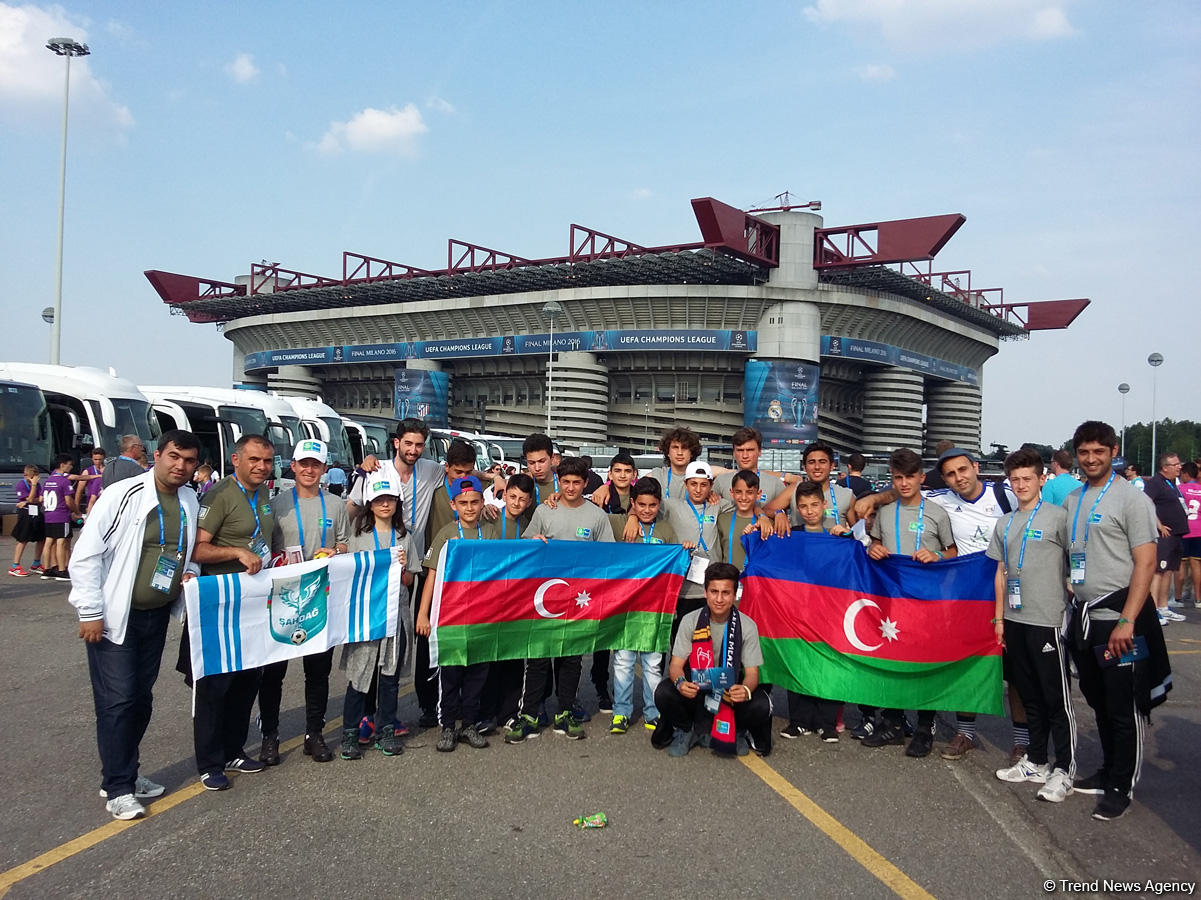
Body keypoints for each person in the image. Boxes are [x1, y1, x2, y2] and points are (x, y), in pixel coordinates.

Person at [68, 429, 202, 820]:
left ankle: (126, 770)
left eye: (189, 460)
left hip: (155, 615)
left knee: (140, 699)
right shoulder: (122, 494)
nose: (181, 466)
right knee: (119, 700)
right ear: (156, 455)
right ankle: (118, 786)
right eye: (174, 456)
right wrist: (90, 611)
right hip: (115, 618)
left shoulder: (190, 500)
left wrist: (190, 572)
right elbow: (86, 554)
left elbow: (187, 552)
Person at [1062, 420, 1164, 821]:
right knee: (1098, 700)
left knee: (1124, 706)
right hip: (1085, 619)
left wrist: (1127, 621)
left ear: (1113, 451)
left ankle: (1122, 783)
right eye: (1084, 453)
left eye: (1098, 452)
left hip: (1120, 620)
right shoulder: (1072, 498)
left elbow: (1146, 562)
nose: (1090, 459)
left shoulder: (1131, 500)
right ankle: (1107, 769)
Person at [186, 434, 276, 791]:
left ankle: (233, 749)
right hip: (221, 603)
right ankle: (209, 762)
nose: (261, 467)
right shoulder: (220, 494)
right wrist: (236, 552)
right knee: (214, 685)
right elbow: (197, 548)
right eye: (254, 460)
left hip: (253, 603)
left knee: (247, 678)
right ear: (236, 459)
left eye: (267, 461)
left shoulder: (265, 493)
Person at [987, 449, 1076, 803]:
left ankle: (1064, 767)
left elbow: (1077, 560)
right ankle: (1036, 759)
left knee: (1056, 698)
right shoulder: (1005, 523)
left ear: (1042, 479)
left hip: (1048, 619)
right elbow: (1001, 572)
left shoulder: (1059, 518)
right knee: (1029, 694)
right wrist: (999, 619)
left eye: (1027, 479)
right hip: (1015, 619)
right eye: (1015, 480)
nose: (1021, 485)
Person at [506, 457, 614, 743]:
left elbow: (608, 559)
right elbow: (528, 545)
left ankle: (565, 711)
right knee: (538, 659)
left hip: (579, 601)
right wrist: (535, 541)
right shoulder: (544, 510)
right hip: (544, 598)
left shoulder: (597, 517)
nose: (570, 487)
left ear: (585, 483)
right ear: (559, 482)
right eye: (565, 482)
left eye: (576, 482)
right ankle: (529, 714)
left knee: (571, 659)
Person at [925, 447, 1023, 762]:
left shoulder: (1006, 493)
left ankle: (1022, 740)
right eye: (951, 474)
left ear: (976, 467)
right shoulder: (940, 499)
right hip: (969, 599)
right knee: (968, 666)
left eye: (963, 470)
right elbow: (901, 493)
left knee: (1017, 673)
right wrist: (873, 499)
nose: (959, 478)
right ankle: (965, 732)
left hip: (1012, 596)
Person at [352, 418, 451, 728]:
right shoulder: (375, 470)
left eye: (419, 444)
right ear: (396, 443)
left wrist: (495, 479)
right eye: (407, 443)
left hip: (413, 566)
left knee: (411, 638)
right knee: (371, 643)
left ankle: (417, 707)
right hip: (375, 570)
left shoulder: (431, 470)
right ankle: (366, 715)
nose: (413, 449)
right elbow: (352, 511)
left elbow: (460, 471)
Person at [257, 440, 350, 766]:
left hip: (319, 597)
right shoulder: (276, 504)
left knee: (318, 672)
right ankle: (270, 736)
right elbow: (264, 549)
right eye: (303, 464)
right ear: (293, 466)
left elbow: (344, 543)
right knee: (273, 672)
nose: (309, 470)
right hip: (283, 597)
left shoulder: (336, 504)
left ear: (325, 468)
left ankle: (315, 733)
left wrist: (336, 551)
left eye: (316, 464)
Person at [864, 447, 957, 758]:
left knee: (924, 664)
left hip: (927, 602)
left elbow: (953, 553)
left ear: (921, 478)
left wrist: (937, 555)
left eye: (909, 477)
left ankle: (924, 728)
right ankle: (891, 723)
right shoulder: (886, 513)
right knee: (892, 661)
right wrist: (873, 549)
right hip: (892, 601)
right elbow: (876, 544)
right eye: (898, 478)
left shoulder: (936, 513)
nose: (904, 484)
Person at [651, 562, 773, 758]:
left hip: (729, 691)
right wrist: (681, 683)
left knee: (762, 704)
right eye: (714, 591)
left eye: (725, 593)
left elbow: (752, 674)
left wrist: (746, 690)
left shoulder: (747, 625)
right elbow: (675, 666)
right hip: (697, 688)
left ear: (734, 595)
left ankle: (738, 731)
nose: (719, 599)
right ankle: (686, 729)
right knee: (663, 692)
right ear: (705, 592)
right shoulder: (690, 620)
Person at [339, 475, 420, 759]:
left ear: (397, 503)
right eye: (378, 500)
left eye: (390, 499)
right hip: (365, 617)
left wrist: (404, 568)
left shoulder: (405, 537)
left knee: (389, 677)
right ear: (370, 504)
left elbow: (410, 580)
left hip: (394, 616)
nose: (385, 504)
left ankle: (386, 727)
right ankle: (350, 731)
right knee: (360, 676)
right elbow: (349, 575)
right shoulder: (358, 537)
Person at [417, 476, 494, 752]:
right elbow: (432, 576)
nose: (470, 508)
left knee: (477, 674)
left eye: (474, 502)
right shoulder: (446, 533)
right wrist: (423, 614)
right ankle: (448, 726)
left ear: (483, 503)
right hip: (450, 616)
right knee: (450, 674)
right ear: (453, 504)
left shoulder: (492, 532)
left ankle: (469, 724)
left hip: (482, 618)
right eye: (463, 503)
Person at [607, 477, 680, 736]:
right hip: (626, 608)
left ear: (659, 504)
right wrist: (629, 516)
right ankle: (621, 712)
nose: (647, 509)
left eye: (652, 505)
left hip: (655, 610)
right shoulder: (618, 524)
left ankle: (653, 710)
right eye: (641, 505)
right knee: (623, 662)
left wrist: (687, 551)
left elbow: (675, 566)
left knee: (652, 665)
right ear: (633, 504)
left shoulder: (666, 530)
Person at [779, 479, 846, 743]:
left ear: (825, 505)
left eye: (814, 505)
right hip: (798, 611)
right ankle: (799, 721)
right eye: (803, 506)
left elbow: (857, 562)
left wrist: (849, 537)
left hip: (830, 612)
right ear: (797, 508)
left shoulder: (838, 536)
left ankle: (827, 723)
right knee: (799, 663)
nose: (809, 511)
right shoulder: (789, 535)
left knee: (829, 665)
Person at [665, 461, 725, 635]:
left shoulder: (718, 505)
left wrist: (772, 515)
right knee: (680, 641)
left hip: (711, 590)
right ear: (685, 484)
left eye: (704, 485)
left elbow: (747, 506)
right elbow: (644, 507)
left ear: (711, 486)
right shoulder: (671, 505)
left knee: (707, 643)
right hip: (683, 590)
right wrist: (631, 517)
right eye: (693, 484)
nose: (698, 489)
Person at [765, 441, 856, 535]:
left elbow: (857, 532)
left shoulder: (846, 495)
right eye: (811, 462)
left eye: (822, 462)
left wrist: (849, 533)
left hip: (834, 548)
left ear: (832, 466)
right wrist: (779, 513)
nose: (817, 467)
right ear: (804, 467)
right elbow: (767, 510)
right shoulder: (794, 489)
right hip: (801, 547)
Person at [1143, 452, 1188, 627]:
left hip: (1176, 534)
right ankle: (1153, 609)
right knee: (1158, 571)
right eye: (1175, 464)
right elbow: (1146, 503)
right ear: (1165, 467)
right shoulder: (1155, 483)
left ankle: (1163, 606)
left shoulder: (1171, 483)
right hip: (1163, 535)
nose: (1179, 467)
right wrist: (1159, 524)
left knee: (1168, 570)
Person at [711, 427, 787, 507]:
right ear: (733, 453)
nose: (745, 456)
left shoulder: (775, 484)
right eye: (740, 450)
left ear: (760, 451)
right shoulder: (721, 481)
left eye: (750, 450)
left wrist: (778, 512)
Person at [716, 469, 768, 572]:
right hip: (728, 580)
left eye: (749, 492)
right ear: (731, 493)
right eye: (738, 492)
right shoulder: (722, 519)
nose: (743, 497)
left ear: (758, 494)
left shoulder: (767, 524)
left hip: (755, 581)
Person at [40, 453, 76, 581]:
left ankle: (47, 568)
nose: (71, 467)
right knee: (61, 542)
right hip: (61, 515)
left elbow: (41, 498)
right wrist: (76, 511)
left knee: (49, 542)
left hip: (49, 514)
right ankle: (61, 570)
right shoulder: (64, 481)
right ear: (63, 465)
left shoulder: (48, 480)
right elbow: (68, 500)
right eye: (69, 464)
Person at [9, 465, 45, 577]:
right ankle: (15, 566)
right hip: (25, 513)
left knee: (41, 538)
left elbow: (40, 498)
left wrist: (30, 500)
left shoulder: (39, 484)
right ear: (26, 475)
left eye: (36, 476)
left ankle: (36, 563)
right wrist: (33, 487)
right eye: (32, 476)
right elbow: (29, 498)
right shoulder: (21, 484)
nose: (35, 479)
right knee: (23, 539)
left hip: (36, 512)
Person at [1178, 462, 1201, 610]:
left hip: (1184, 530)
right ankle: (1198, 599)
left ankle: (1178, 597)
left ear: (1186, 474)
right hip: (1199, 530)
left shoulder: (1179, 489)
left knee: (1180, 566)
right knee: (1196, 565)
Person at [596, 450, 637, 514]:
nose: (622, 476)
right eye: (617, 471)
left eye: (627, 471)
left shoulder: (640, 496)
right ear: (610, 475)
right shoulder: (600, 497)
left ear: (634, 475)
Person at [75, 448, 107, 519]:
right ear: (92, 459)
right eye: (95, 459)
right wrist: (76, 509)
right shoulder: (87, 471)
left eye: (100, 459)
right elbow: (79, 491)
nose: (98, 462)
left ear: (104, 458)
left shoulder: (108, 470)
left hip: (105, 505)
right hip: (91, 505)